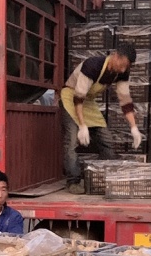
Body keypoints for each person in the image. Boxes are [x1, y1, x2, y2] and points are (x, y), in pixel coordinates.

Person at [59, 43, 143, 194]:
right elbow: (78, 98)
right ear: (116, 56)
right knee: (71, 142)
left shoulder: (122, 72)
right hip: (71, 98)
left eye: (127, 67)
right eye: (123, 65)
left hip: (89, 102)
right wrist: (83, 126)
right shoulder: (93, 65)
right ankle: (73, 182)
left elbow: (125, 100)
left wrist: (134, 127)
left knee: (106, 141)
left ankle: (109, 178)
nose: (124, 69)